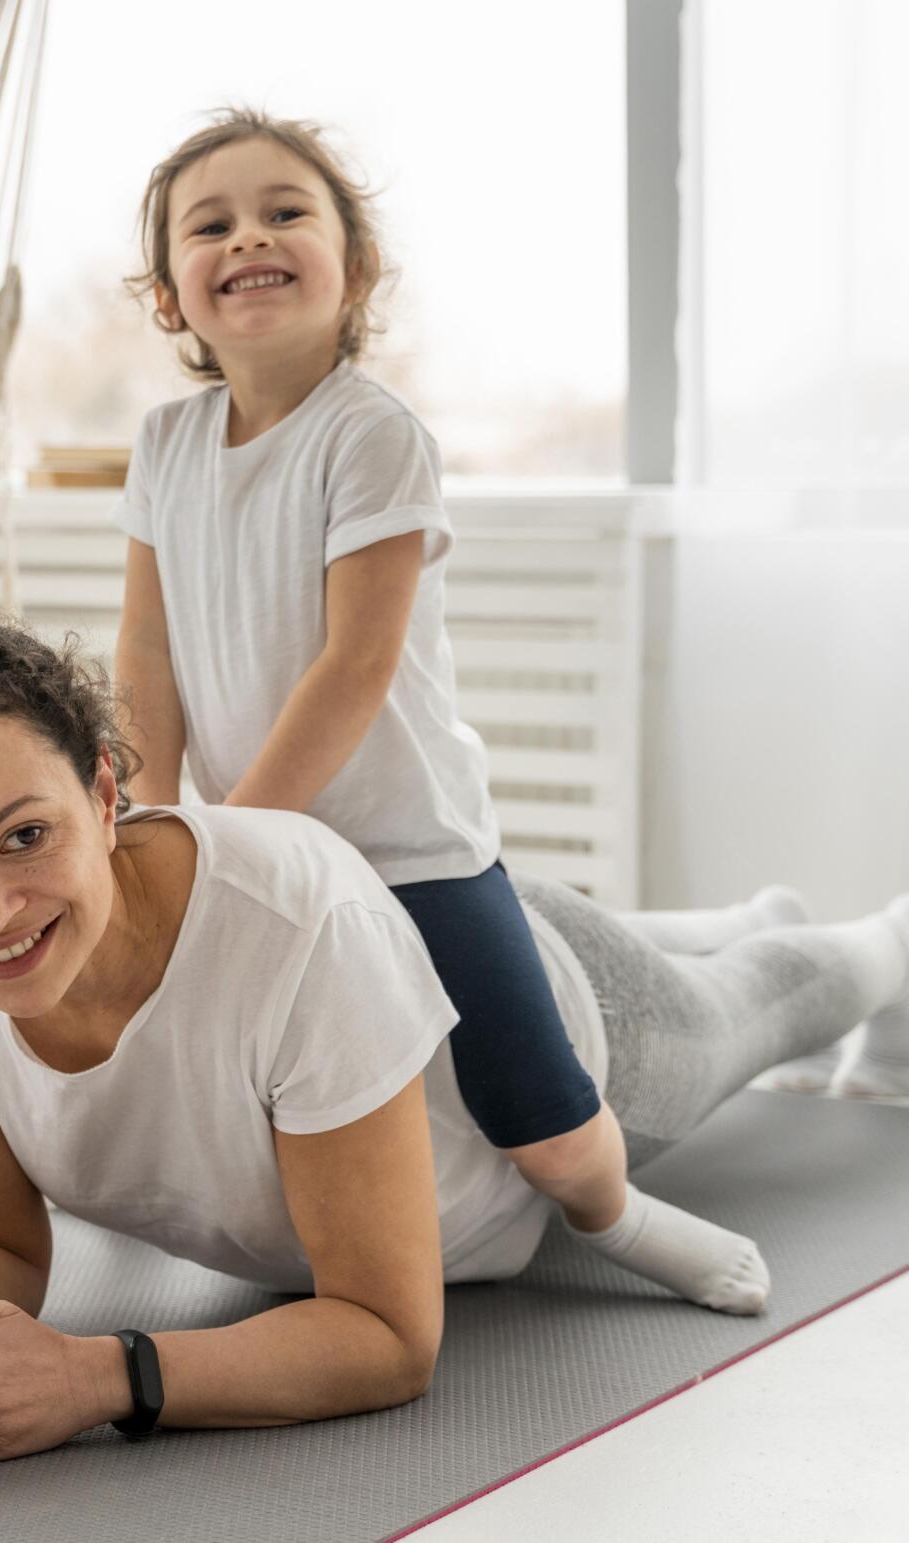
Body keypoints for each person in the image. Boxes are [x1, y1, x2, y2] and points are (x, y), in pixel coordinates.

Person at [0, 608, 909, 1480]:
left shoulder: (298, 930)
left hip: (564, 1030)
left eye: (24, 837)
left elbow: (384, 1334)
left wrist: (96, 1377)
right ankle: (742, 912)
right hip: (390, 965)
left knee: (782, 993)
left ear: (105, 793)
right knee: (718, 939)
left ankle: (872, 933)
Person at [104, 107, 778, 1314]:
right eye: (210, 225)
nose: (247, 235)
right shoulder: (164, 443)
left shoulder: (371, 435)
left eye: (284, 212)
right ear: (169, 295)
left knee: (537, 1113)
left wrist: (239, 836)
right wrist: (152, 827)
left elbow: (355, 668)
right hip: (261, 840)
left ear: (353, 267)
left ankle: (615, 1213)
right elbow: (144, 648)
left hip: (408, 847)